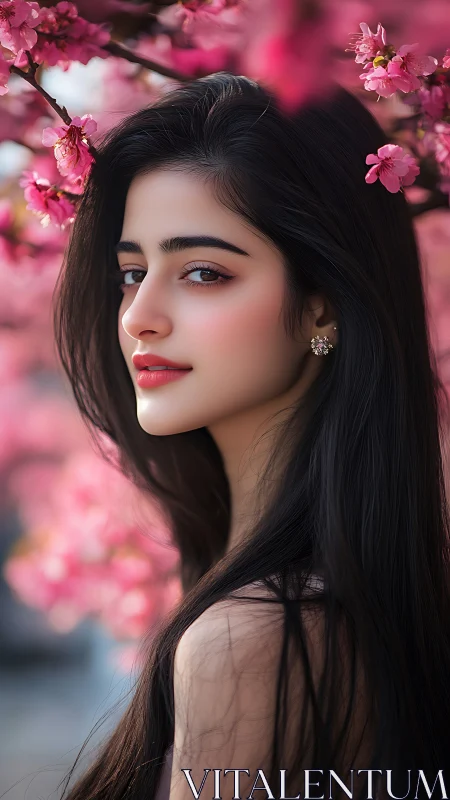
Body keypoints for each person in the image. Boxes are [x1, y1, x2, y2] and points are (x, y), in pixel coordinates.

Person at [53, 72, 450, 800]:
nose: (138, 315)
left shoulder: (253, 638)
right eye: (131, 272)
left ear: (322, 307)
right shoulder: (365, 611)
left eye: (203, 273)